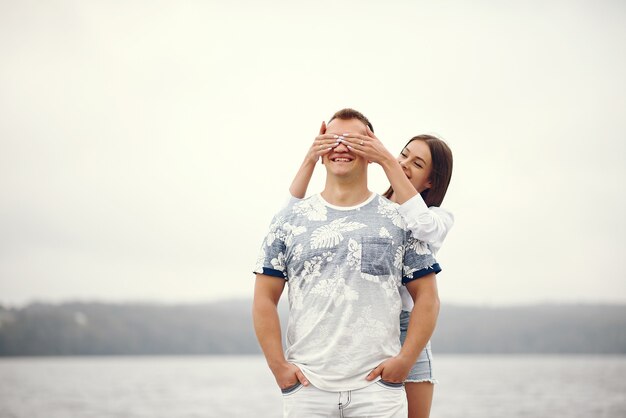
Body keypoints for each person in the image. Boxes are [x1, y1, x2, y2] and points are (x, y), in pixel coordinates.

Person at [252, 108, 442, 417]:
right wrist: (279, 369)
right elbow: (264, 298)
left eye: (352, 139)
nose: (341, 146)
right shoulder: (289, 220)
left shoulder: (401, 220)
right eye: (332, 139)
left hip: (378, 392)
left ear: (371, 151)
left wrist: (404, 363)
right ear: (321, 151)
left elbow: (428, 298)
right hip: (307, 390)